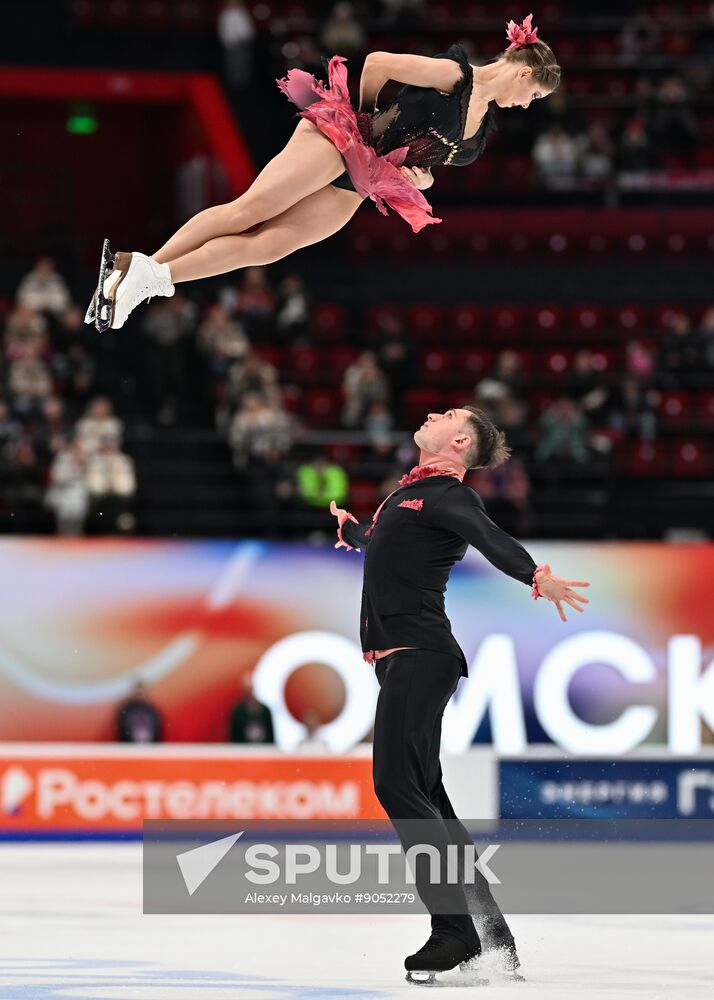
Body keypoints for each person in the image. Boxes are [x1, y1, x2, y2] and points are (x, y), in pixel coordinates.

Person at [329, 405, 589, 982]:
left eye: (447, 414)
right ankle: (492, 938)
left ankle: (453, 933)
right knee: (430, 799)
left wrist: (535, 576)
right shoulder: (409, 496)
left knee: (395, 784)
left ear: (461, 442)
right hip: (405, 661)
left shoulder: (449, 495)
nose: (431, 413)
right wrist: (353, 532)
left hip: (422, 655)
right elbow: (384, 541)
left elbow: (490, 538)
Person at [84, 14, 560, 330]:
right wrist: (364, 123)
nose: (527, 105)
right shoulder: (458, 76)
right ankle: (141, 271)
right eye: (535, 95)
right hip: (340, 140)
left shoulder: (480, 129)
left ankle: (140, 272)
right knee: (250, 211)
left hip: (360, 183)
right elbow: (377, 65)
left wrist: (422, 178)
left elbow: (426, 160)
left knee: (267, 247)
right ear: (524, 73)